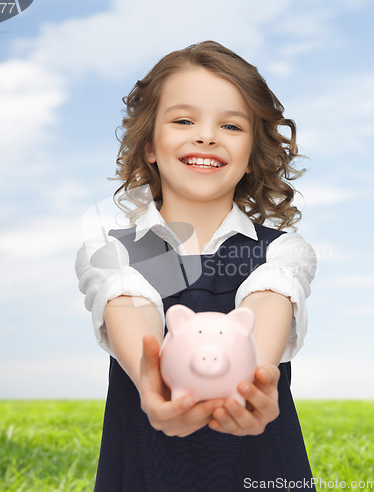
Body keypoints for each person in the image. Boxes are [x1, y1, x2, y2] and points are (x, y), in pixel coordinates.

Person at [75, 40, 317, 491]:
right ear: (149, 146)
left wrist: (248, 385)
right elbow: (130, 299)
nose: (206, 135)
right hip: (148, 472)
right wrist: (155, 381)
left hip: (262, 470)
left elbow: (267, 300)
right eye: (184, 120)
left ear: (250, 156)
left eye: (230, 125)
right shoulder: (114, 252)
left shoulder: (283, 252)